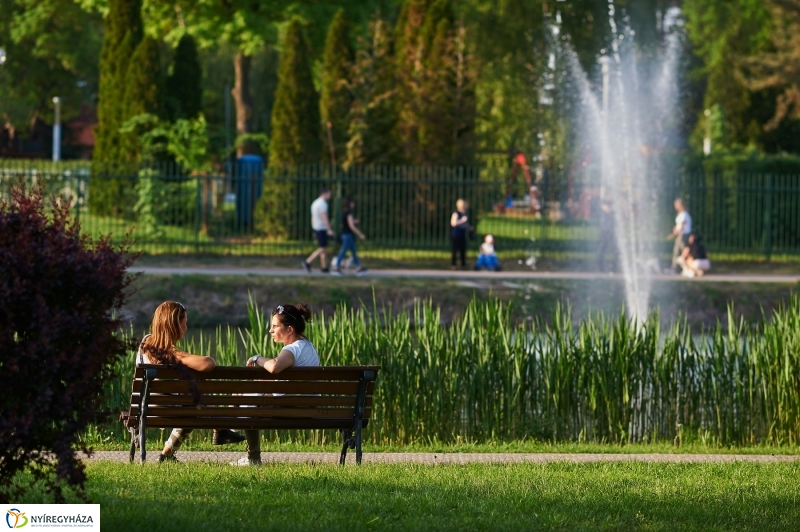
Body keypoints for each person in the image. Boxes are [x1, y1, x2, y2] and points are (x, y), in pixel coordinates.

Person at [136, 301, 245, 463]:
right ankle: (220, 429)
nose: (186, 328)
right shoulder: (171, 354)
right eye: (184, 323)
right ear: (173, 325)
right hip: (166, 409)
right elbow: (208, 364)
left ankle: (167, 455)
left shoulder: (145, 343)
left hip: (147, 407)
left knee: (192, 398)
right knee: (195, 399)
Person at [236, 303, 320, 466]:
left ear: (289, 329)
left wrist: (256, 358)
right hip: (307, 406)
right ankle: (231, 433)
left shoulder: (292, 350)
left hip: (291, 408)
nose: (270, 330)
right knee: (247, 394)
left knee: (248, 397)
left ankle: (251, 455)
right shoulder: (308, 347)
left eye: (275, 326)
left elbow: (274, 367)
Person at [302, 188, 335, 274]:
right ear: (324, 194)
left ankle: (324, 267)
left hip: (317, 227)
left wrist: (313, 229)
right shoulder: (323, 204)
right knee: (322, 248)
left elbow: (313, 217)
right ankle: (308, 261)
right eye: (329, 194)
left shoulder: (315, 203)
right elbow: (324, 217)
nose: (330, 196)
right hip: (322, 228)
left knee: (324, 247)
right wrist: (329, 229)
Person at [332, 196, 367, 275]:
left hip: (345, 235)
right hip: (348, 236)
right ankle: (335, 267)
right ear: (350, 204)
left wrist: (354, 221)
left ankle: (358, 267)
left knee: (354, 252)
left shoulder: (343, 213)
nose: (353, 204)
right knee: (343, 252)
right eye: (352, 202)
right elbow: (351, 226)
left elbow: (345, 224)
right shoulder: (349, 214)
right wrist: (360, 234)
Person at [667, 198, 692, 272]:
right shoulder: (682, 214)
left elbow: (682, 226)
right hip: (681, 235)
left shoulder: (684, 214)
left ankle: (686, 268)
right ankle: (676, 268)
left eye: (676, 205)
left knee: (683, 252)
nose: (675, 207)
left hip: (683, 235)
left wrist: (673, 234)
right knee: (678, 252)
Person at [450, 199, 471, 270]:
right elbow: (453, 223)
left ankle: (463, 264)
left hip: (462, 234)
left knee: (463, 250)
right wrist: (462, 220)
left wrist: (469, 228)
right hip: (456, 234)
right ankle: (453, 264)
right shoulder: (456, 213)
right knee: (455, 250)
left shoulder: (465, 213)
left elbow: (466, 224)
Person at [597, 199, 615, 272]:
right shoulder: (602, 202)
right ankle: (601, 267)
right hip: (604, 230)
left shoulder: (613, 203)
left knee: (614, 249)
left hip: (611, 229)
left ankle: (614, 267)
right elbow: (608, 210)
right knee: (602, 248)